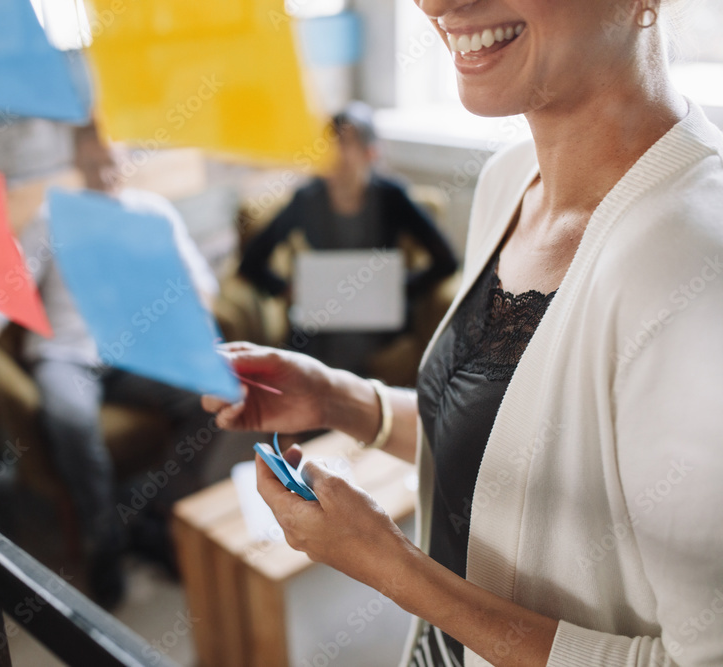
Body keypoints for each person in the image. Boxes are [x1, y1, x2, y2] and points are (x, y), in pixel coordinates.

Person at [204, 0, 723, 665]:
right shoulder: (509, 180)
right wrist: (337, 398)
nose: (438, 3)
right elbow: (514, 461)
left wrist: (394, 569)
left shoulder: (693, 267)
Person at [0, 123, 219, 608]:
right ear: (78, 159)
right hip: (66, 358)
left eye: (115, 158)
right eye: (96, 159)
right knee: (72, 422)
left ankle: (157, 514)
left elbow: (199, 283)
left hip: (137, 356)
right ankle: (105, 544)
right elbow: (1, 294)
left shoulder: (153, 212)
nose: (108, 170)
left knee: (217, 391)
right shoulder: (53, 217)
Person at [238, 101, 457, 375]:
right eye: (330, 142)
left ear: (370, 153)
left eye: (346, 142)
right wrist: (287, 289)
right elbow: (251, 261)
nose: (335, 152)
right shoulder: (307, 198)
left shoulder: (392, 196)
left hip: (379, 322)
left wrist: (401, 287)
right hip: (322, 322)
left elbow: (446, 261)